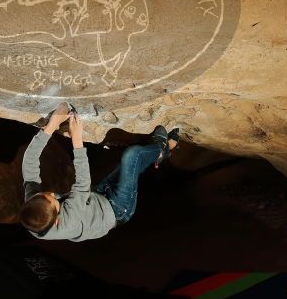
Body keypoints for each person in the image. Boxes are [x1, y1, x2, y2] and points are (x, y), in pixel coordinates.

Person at [20, 102, 179, 241]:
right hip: (117, 210)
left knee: (133, 166)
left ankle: (160, 154)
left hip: (97, 196)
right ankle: (162, 149)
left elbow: (29, 161)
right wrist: (77, 139)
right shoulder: (69, 221)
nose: (53, 194)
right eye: (54, 200)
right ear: (56, 220)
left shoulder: (34, 211)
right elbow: (82, 183)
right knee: (132, 156)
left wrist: (51, 126)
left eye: (45, 194)